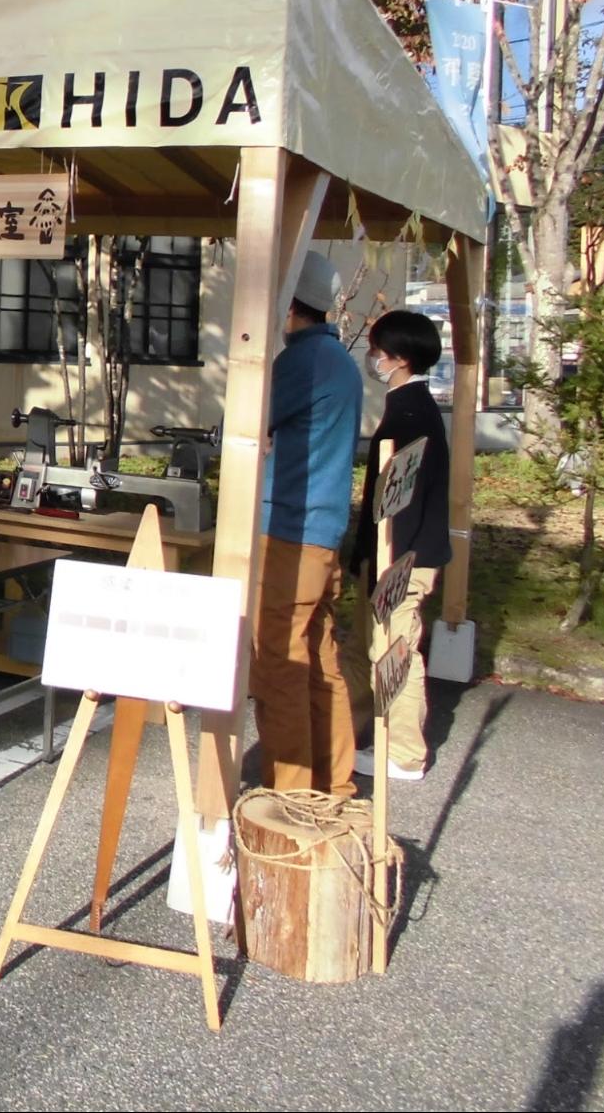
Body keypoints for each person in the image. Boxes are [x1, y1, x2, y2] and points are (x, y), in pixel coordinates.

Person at [253, 250, 364, 798]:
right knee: (320, 658)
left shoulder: (300, 362)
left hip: (289, 533)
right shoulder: (342, 362)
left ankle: (290, 793)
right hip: (323, 531)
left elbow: (248, 418)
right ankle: (336, 782)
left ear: (291, 304)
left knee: (279, 661)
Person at [342, 310, 450, 781]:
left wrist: (389, 567)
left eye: (379, 351)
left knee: (395, 650)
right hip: (391, 554)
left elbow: (399, 502)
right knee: (372, 647)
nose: (374, 358)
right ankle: (357, 734)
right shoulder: (411, 407)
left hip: (402, 556)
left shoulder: (409, 416)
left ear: (399, 359)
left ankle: (405, 753)